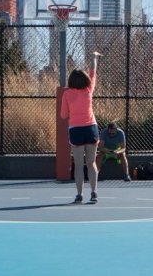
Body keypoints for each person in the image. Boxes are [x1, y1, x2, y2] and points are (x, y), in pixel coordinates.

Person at [60, 52, 101, 204]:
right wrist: (94, 58)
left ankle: (79, 195)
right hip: (91, 128)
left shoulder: (67, 94)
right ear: (85, 79)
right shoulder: (89, 89)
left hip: (76, 130)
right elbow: (93, 72)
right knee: (91, 162)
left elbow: (64, 115)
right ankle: (94, 192)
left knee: (78, 164)